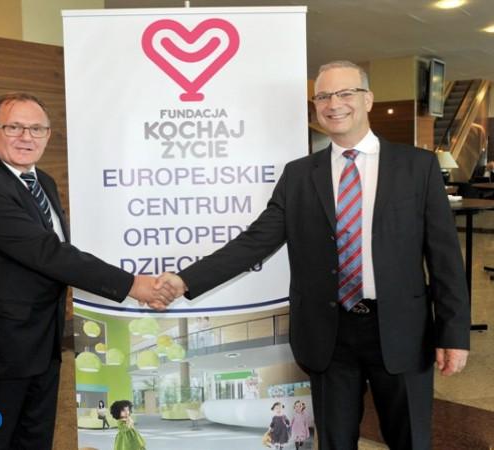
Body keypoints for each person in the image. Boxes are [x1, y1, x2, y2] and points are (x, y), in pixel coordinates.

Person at [156, 61, 470, 450]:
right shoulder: (299, 175)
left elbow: (445, 260)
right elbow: (255, 241)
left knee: (411, 440)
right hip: (328, 334)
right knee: (334, 442)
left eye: (345, 93)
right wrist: (185, 280)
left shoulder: (417, 167)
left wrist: (454, 334)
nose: (333, 104)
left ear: (368, 99)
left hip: (402, 329)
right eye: (323, 96)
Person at [0, 92, 174, 450]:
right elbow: (46, 253)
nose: (26, 137)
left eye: (37, 129)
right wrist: (132, 284)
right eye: (14, 127)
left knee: (33, 439)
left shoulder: (42, 181)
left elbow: (58, 246)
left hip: (38, 343)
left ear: (48, 135)